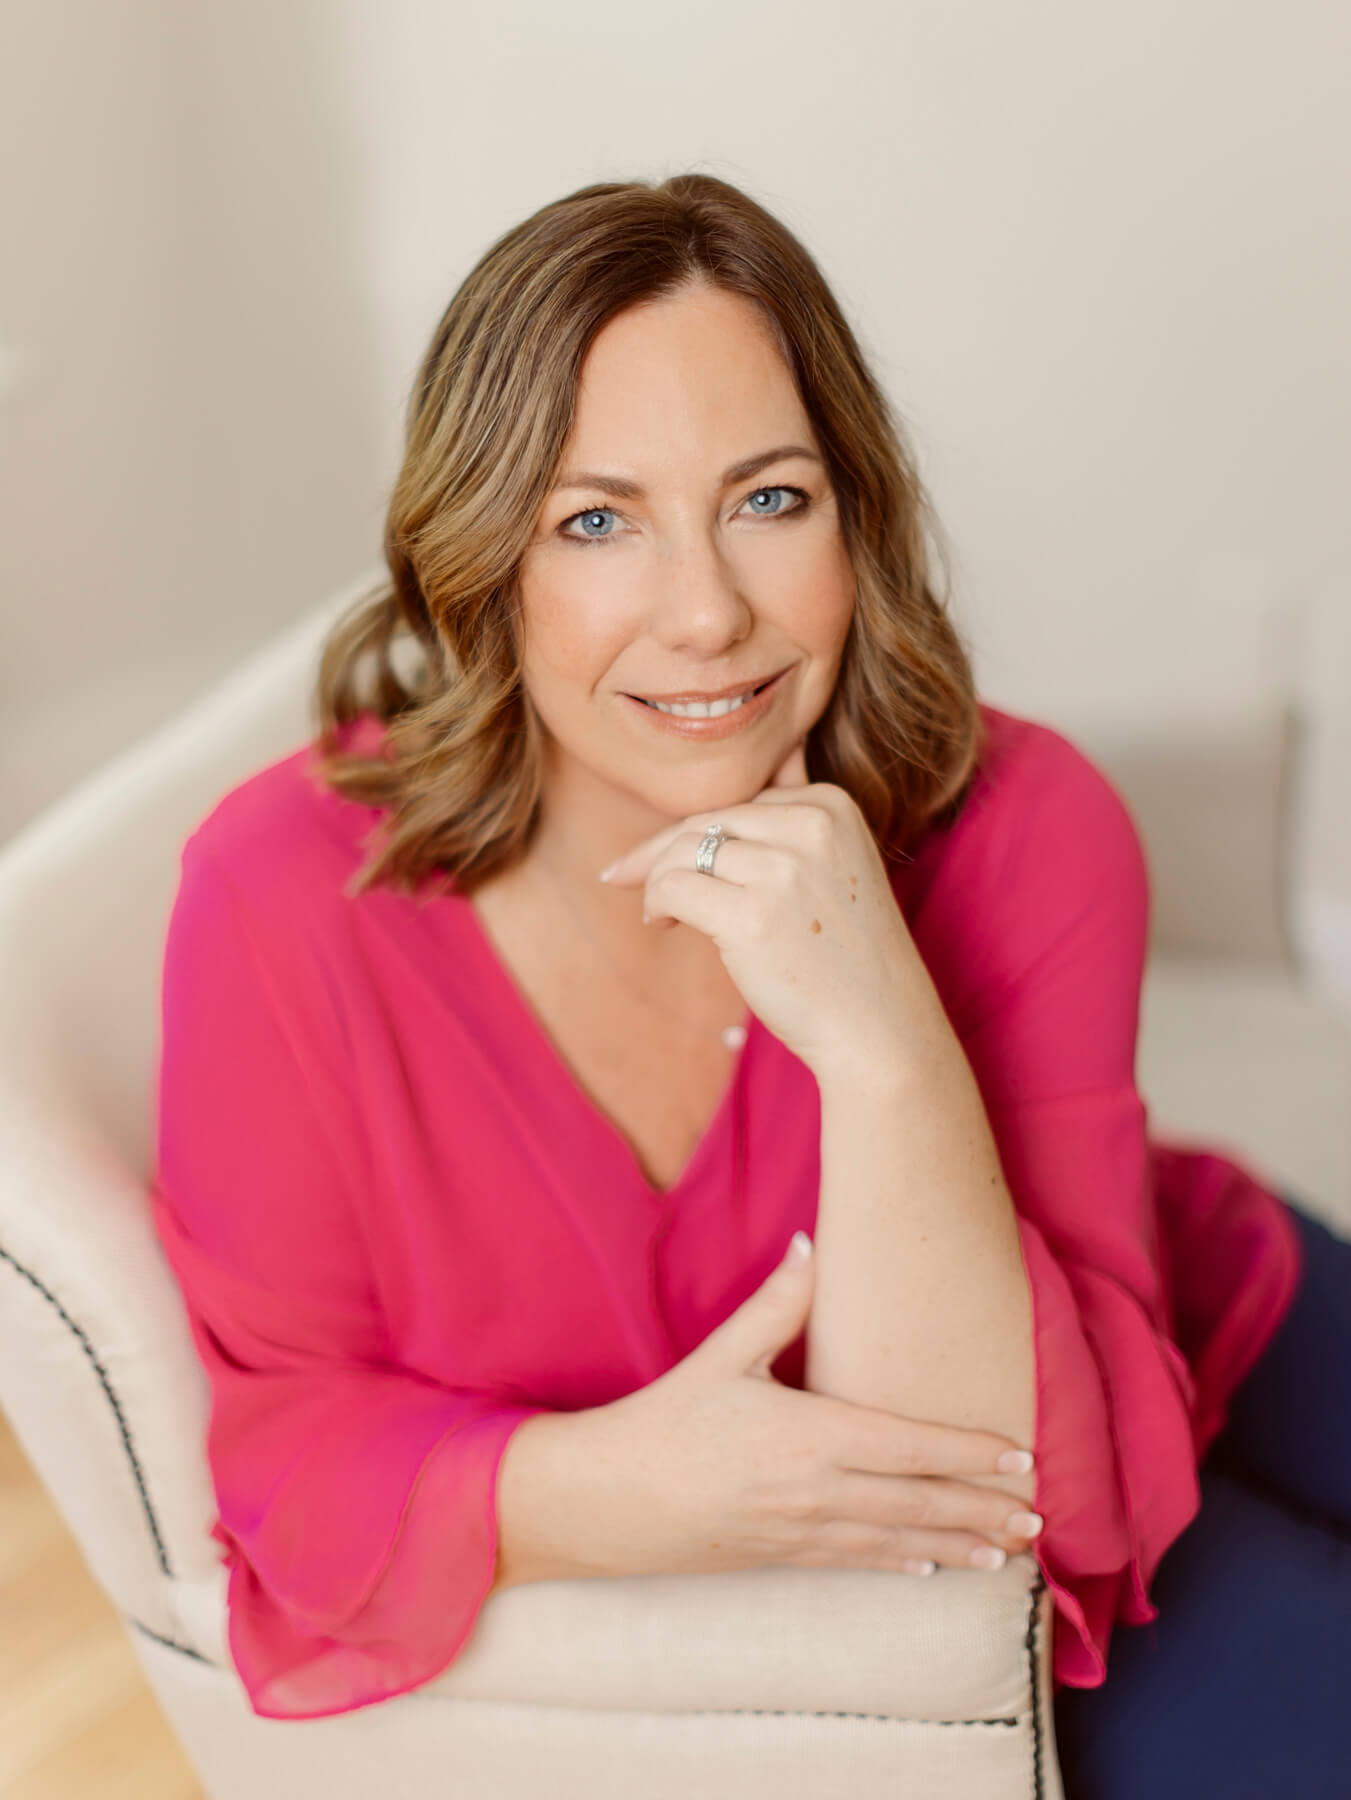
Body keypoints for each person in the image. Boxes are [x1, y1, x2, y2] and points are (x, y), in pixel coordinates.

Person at [149, 172, 1349, 1789]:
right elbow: (290, 1456)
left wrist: (879, 1039)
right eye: (597, 521)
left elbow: (1036, 1485)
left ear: (857, 515)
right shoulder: (283, 896)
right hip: (980, 1618)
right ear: (482, 567)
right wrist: (609, 1494)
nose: (707, 614)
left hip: (1183, 1325)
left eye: (770, 499)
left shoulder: (1032, 827)